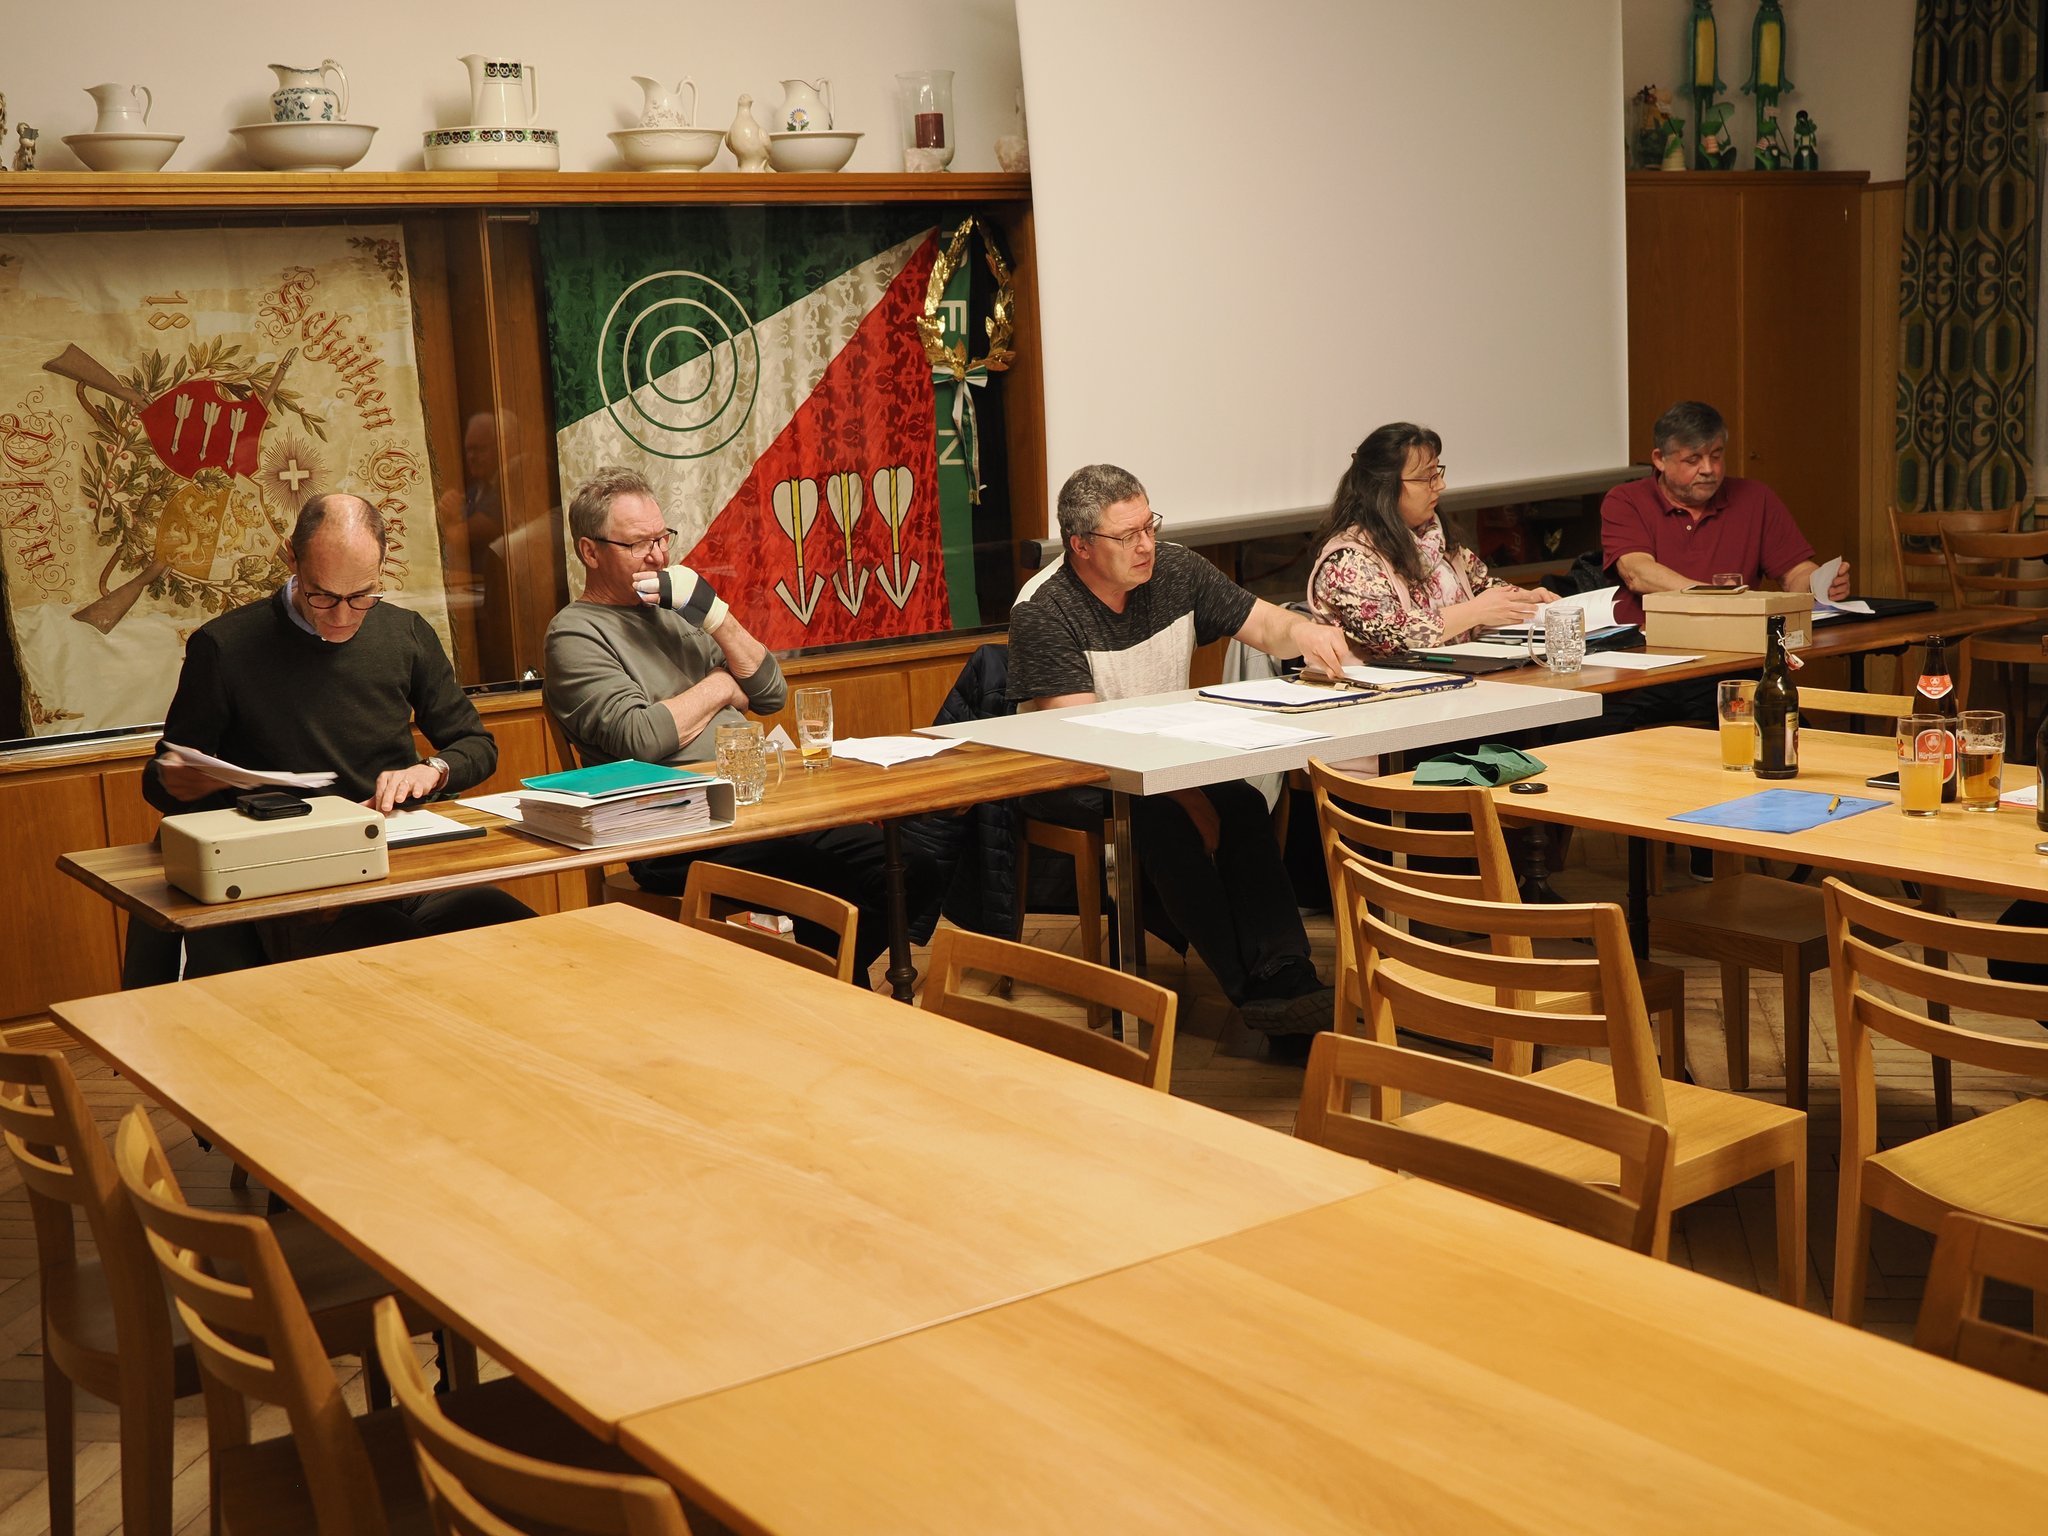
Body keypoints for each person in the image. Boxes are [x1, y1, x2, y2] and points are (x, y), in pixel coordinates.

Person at [1007, 463, 1353, 1044]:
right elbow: (1089, 739)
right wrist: (1191, 800)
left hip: (1166, 758)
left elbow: (1262, 623)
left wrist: (1304, 633)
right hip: (1075, 771)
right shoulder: (1044, 608)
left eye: (1150, 526)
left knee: (1242, 804)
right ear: (1081, 546)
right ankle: (1257, 997)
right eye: (1128, 536)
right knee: (1165, 820)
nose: (1146, 545)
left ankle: (1286, 972)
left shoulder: (1176, 569)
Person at [141, 492, 532, 967]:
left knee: (521, 943)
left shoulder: (404, 633)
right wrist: (179, 779)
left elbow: (475, 745)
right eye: (322, 595)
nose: (342, 616)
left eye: (363, 595)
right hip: (297, 879)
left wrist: (431, 770)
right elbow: (161, 778)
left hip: (398, 859)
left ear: (382, 566)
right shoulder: (225, 647)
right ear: (291, 558)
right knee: (406, 960)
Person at [544, 466, 900, 981]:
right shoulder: (575, 635)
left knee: (907, 861)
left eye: (662, 538)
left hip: (758, 805)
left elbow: (771, 694)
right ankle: (828, 987)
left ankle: (824, 983)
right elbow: (642, 738)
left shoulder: (675, 608)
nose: (659, 556)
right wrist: (721, 687)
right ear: (590, 551)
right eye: (638, 544)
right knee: (844, 875)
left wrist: (715, 616)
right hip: (674, 829)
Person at [1596, 398, 1853, 732]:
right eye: (1693, 459)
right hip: (1646, 667)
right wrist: (1719, 598)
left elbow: (1794, 573)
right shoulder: (1626, 500)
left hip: (1728, 666)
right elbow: (1638, 573)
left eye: (1716, 456)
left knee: (1795, 735)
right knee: (1577, 734)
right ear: (1659, 459)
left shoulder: (1755, 498)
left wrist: (1821, 581)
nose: (1709, 469)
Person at [1306, 422, 1555, 658]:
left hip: (1461, 672)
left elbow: (1481, 586)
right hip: (1387, 684)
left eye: (1438, 473)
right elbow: (1391, 634)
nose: (1440, 485)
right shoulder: (1347, 560)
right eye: (1427, 478)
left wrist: (1526, 601)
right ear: (1382, 487)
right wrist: (1476, 611)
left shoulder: (1433, 537)